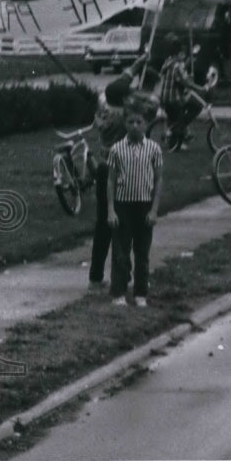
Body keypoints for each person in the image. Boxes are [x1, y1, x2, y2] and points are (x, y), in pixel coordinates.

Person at [89, 52, 151, 288]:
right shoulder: (121, 120)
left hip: (103, 169)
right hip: (120, 172)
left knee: (102, 224)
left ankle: (96, 276)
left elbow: (124, 79)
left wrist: (139, 62)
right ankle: (122, 276)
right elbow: (145, 109)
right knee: (121, 225)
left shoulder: (105, 106)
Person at [106, 105, 163, 307]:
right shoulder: (116, 149)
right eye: (131, 122)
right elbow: (111, 181)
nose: (135, 126)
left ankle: (140, 293)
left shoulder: (153, 149)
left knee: (142, 252)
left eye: (139, 122)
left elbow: (157, 180)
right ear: (125, 124)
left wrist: (154, 210)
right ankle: (119, 291)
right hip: (123, 205)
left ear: (146, 124)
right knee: (121, 251)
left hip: (144, 205)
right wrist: (111, 210)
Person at [158, 38, 205, 150]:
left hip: (164, 98)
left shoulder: (168, 62)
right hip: (174, 99)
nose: (183, 56)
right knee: (197, 106)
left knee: (175, 117)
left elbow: (178, 77)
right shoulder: (178, 65)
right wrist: (200, 88)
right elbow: (185, 81)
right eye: (182, 54)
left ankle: (180, 133)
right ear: (178, 54)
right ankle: (179, 130)